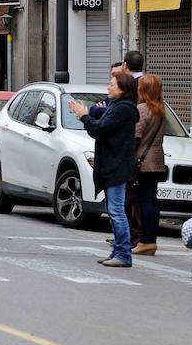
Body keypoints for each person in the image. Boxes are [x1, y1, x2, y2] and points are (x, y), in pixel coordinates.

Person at [69, 71, 139, 267]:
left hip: (117, 166)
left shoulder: (124, 109)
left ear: (123, 88)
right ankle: (117, 250)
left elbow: (99, 129)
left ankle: (124, 254)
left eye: (112, 84)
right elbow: (100, 123)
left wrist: (83, 116)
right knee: (113, 209)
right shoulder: (117, 106)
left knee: (117, 211)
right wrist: (86, 112)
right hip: (112, 164)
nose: (108, 87)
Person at [130, 73, 166, 257]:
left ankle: (146, 241)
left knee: (144, 201)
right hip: (156, 160)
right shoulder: (161, 109)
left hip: (143, 161)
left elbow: (136, 135)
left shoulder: (143, 108)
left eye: (139, 87)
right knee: (152, 200)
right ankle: (151, 240)